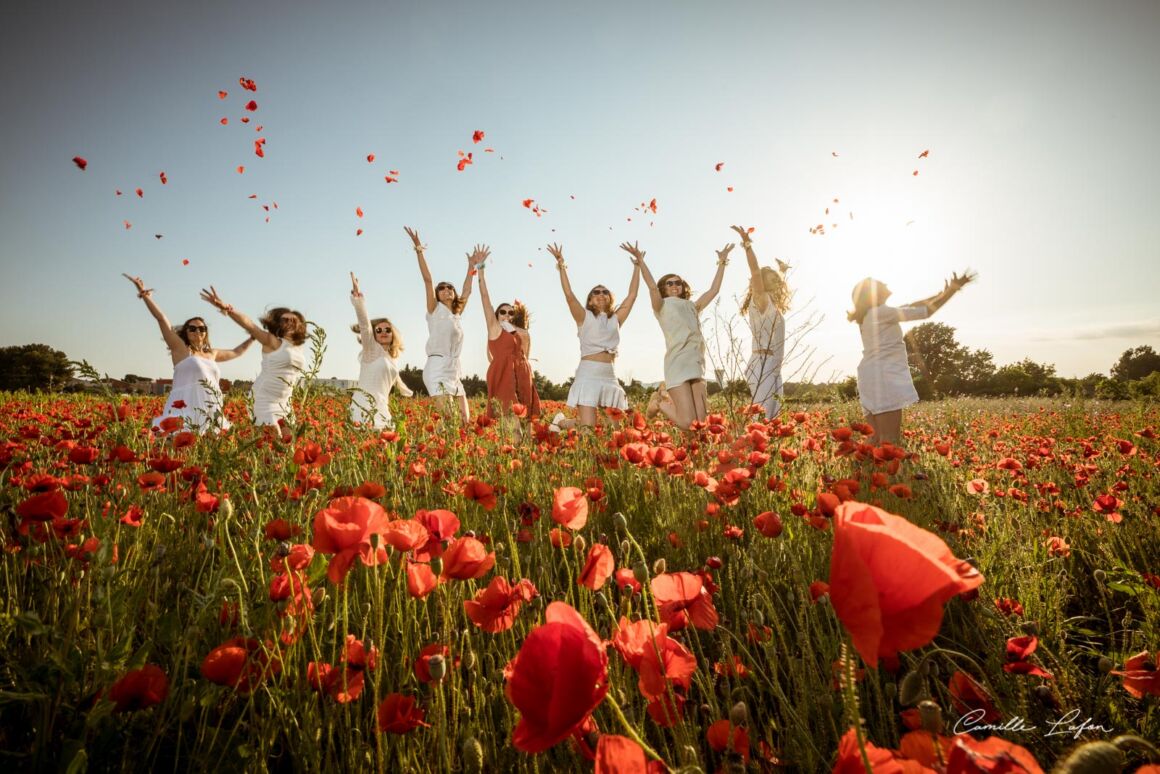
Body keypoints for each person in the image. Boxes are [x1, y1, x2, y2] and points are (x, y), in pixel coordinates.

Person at [849, 271, 976, 444]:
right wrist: (952, 291)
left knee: (875, 437)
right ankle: (890, 470)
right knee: (889, 439)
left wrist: (941, 293)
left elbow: (912, 305)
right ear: (874, 293)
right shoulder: (882, 313)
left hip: (869, 377)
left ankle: (865, 470)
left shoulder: (869, 315)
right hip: (884, 377)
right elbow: (924, 312)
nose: (885, 283)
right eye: (881, 283)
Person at [123, 274, 253, 434]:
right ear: (186, 332)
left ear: (206, 332)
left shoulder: (212, 353)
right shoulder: (181, 349)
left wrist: (253, 337)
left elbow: (236, 352)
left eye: (202, 328)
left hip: (210, 408)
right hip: (185, 408)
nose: (197, 331)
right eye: (192, 328)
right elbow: (162, 319)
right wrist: (145, 295)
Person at [633, 240, 734, 430]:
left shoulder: (692, 306)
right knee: (688, 423)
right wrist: (640, 262)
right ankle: (659, 403)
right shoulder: (661, 306)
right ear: (664, 288)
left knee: (701, 425)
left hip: (696, 362)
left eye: (677, 282)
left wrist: (722, 262)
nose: (674, 285)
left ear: (682, 286)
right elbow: (652, 288)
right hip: (677, 362)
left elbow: (714, 290)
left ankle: (693, 456)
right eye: (669, 283)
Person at [546, 242, 640, 430]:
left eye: (605, 292)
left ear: (610, 298)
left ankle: (561, 422)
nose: (601, 294)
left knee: (613, 427)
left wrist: (637, 266)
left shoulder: (616, 319)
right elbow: (569, 296)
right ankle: (562, 423)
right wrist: (561, 266)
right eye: (596, 292)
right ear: (590, 299)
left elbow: (632, 296)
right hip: (588, 374)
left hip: (609, 375)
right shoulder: (584, 317)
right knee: (588, 428)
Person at [200, 286, 307, 440]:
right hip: (264, 399)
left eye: (293, 320)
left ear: (300, 324)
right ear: (278, 323)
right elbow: (248, 324)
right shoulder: (272, 341)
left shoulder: (299, 347)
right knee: (272, 440)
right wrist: (227, 309)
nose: (290, 322)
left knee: (289, 442)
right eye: (285, 319)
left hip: (285, 402)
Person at [405, 226, 485, 424]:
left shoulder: (456, 314)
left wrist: (472, 266)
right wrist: (419, 249)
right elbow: (427, 279)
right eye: (442, 288)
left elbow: (467, 289)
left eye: (450, 287)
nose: (446, 290)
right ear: (437, 294)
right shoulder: (434, 311)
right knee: (451, 421)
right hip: (437, 367)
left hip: (454, 369)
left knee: (465, 422)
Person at [476, 251, 541, 430]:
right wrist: (481, 270)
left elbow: (526, 356)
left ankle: (526, 453)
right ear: (497, 315)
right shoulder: (494, 328)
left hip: (523, 373)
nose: (506, 314)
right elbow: (485, 298)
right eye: (502, 312)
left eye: (511, 312)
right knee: (511, 422)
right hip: (502, 374)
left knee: (527, 424)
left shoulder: (521, 333)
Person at [732, 225, 792, 419]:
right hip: (762, 362)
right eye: (772, 278)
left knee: (774, 416)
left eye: (777, 279)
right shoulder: (761, 299)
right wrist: (747, 244)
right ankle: (751, 447)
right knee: (762, 416)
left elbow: (777, 281)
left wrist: (781, 271)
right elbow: (756, 272)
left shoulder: (772, 303)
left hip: (774, 363)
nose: (777, 281)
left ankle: (763, 449)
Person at [348, 272, 413, 430]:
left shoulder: (392, 359)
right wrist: (358, 298)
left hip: (382, 407)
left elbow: (395, 379)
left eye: (387, 330)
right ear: (374, 335)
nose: (383, 332)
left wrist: (408, 392)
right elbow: (364, 324)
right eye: (378, 330)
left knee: (384, 447)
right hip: (364, 408)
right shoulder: (371, 350)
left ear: (393, 334)